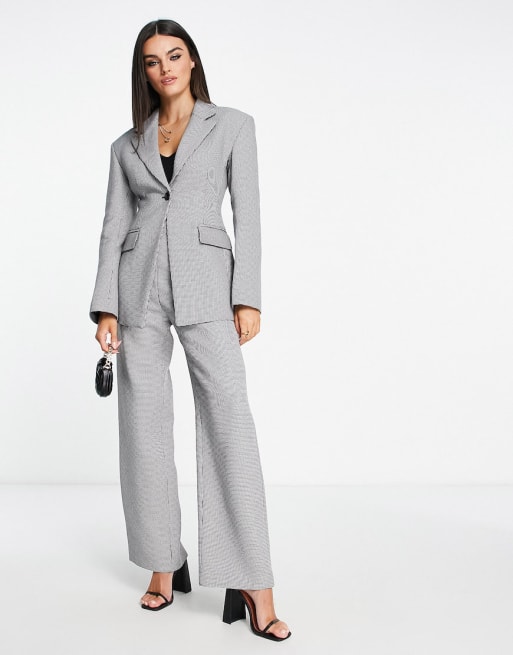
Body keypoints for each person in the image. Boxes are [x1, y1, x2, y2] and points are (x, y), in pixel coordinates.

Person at [89, 19, 291, 642]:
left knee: (230, 423)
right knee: (143, 428)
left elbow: (249, 214)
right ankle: (162, 562)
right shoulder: (127, 145)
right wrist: (105, 307)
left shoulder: (232, 125)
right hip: (139, 286)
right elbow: (112, 226)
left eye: (174, 56)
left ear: (193, 61)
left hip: (208, 283)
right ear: (144, 73)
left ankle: (252, 580)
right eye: (153, 61)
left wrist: (247, 296)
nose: (165, 68)